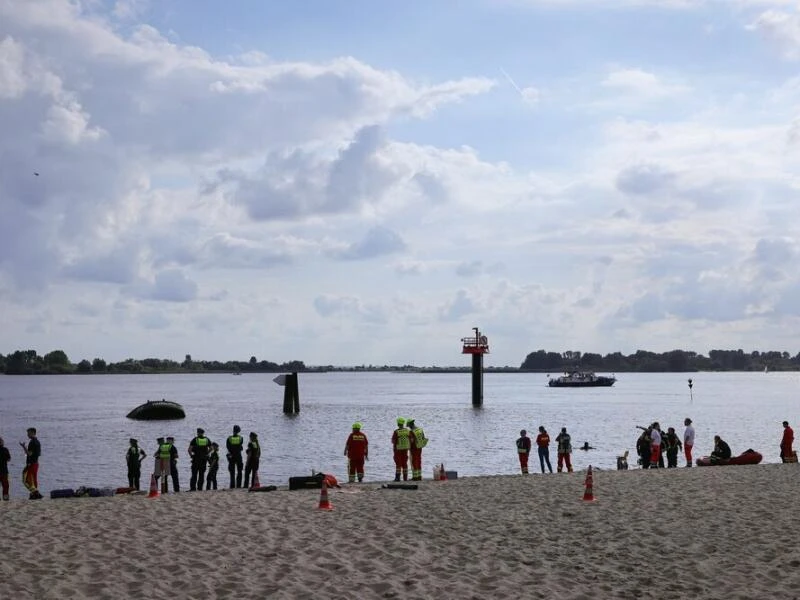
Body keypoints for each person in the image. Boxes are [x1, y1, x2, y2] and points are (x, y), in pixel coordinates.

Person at [20, 427, 42, 500]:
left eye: (28, 433)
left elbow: (29, 454)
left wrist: (23, 447)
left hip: (32, 464)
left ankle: (35, 493)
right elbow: (36, 454)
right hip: (35, 463)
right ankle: (34, 494)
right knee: (33, 479)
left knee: (26, 479)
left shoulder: (33, 442)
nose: (27, 434)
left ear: (33, 433)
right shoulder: (37, 442)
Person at [391, 417, 411, 482]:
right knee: (405, 463)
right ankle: (405, 478)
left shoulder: (396, 432)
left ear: (398, 424)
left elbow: (393, 441)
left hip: (398, 449)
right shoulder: (407, 431)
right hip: (405, 449)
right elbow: (411, 439)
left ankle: (397, 478)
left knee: (398, 464)